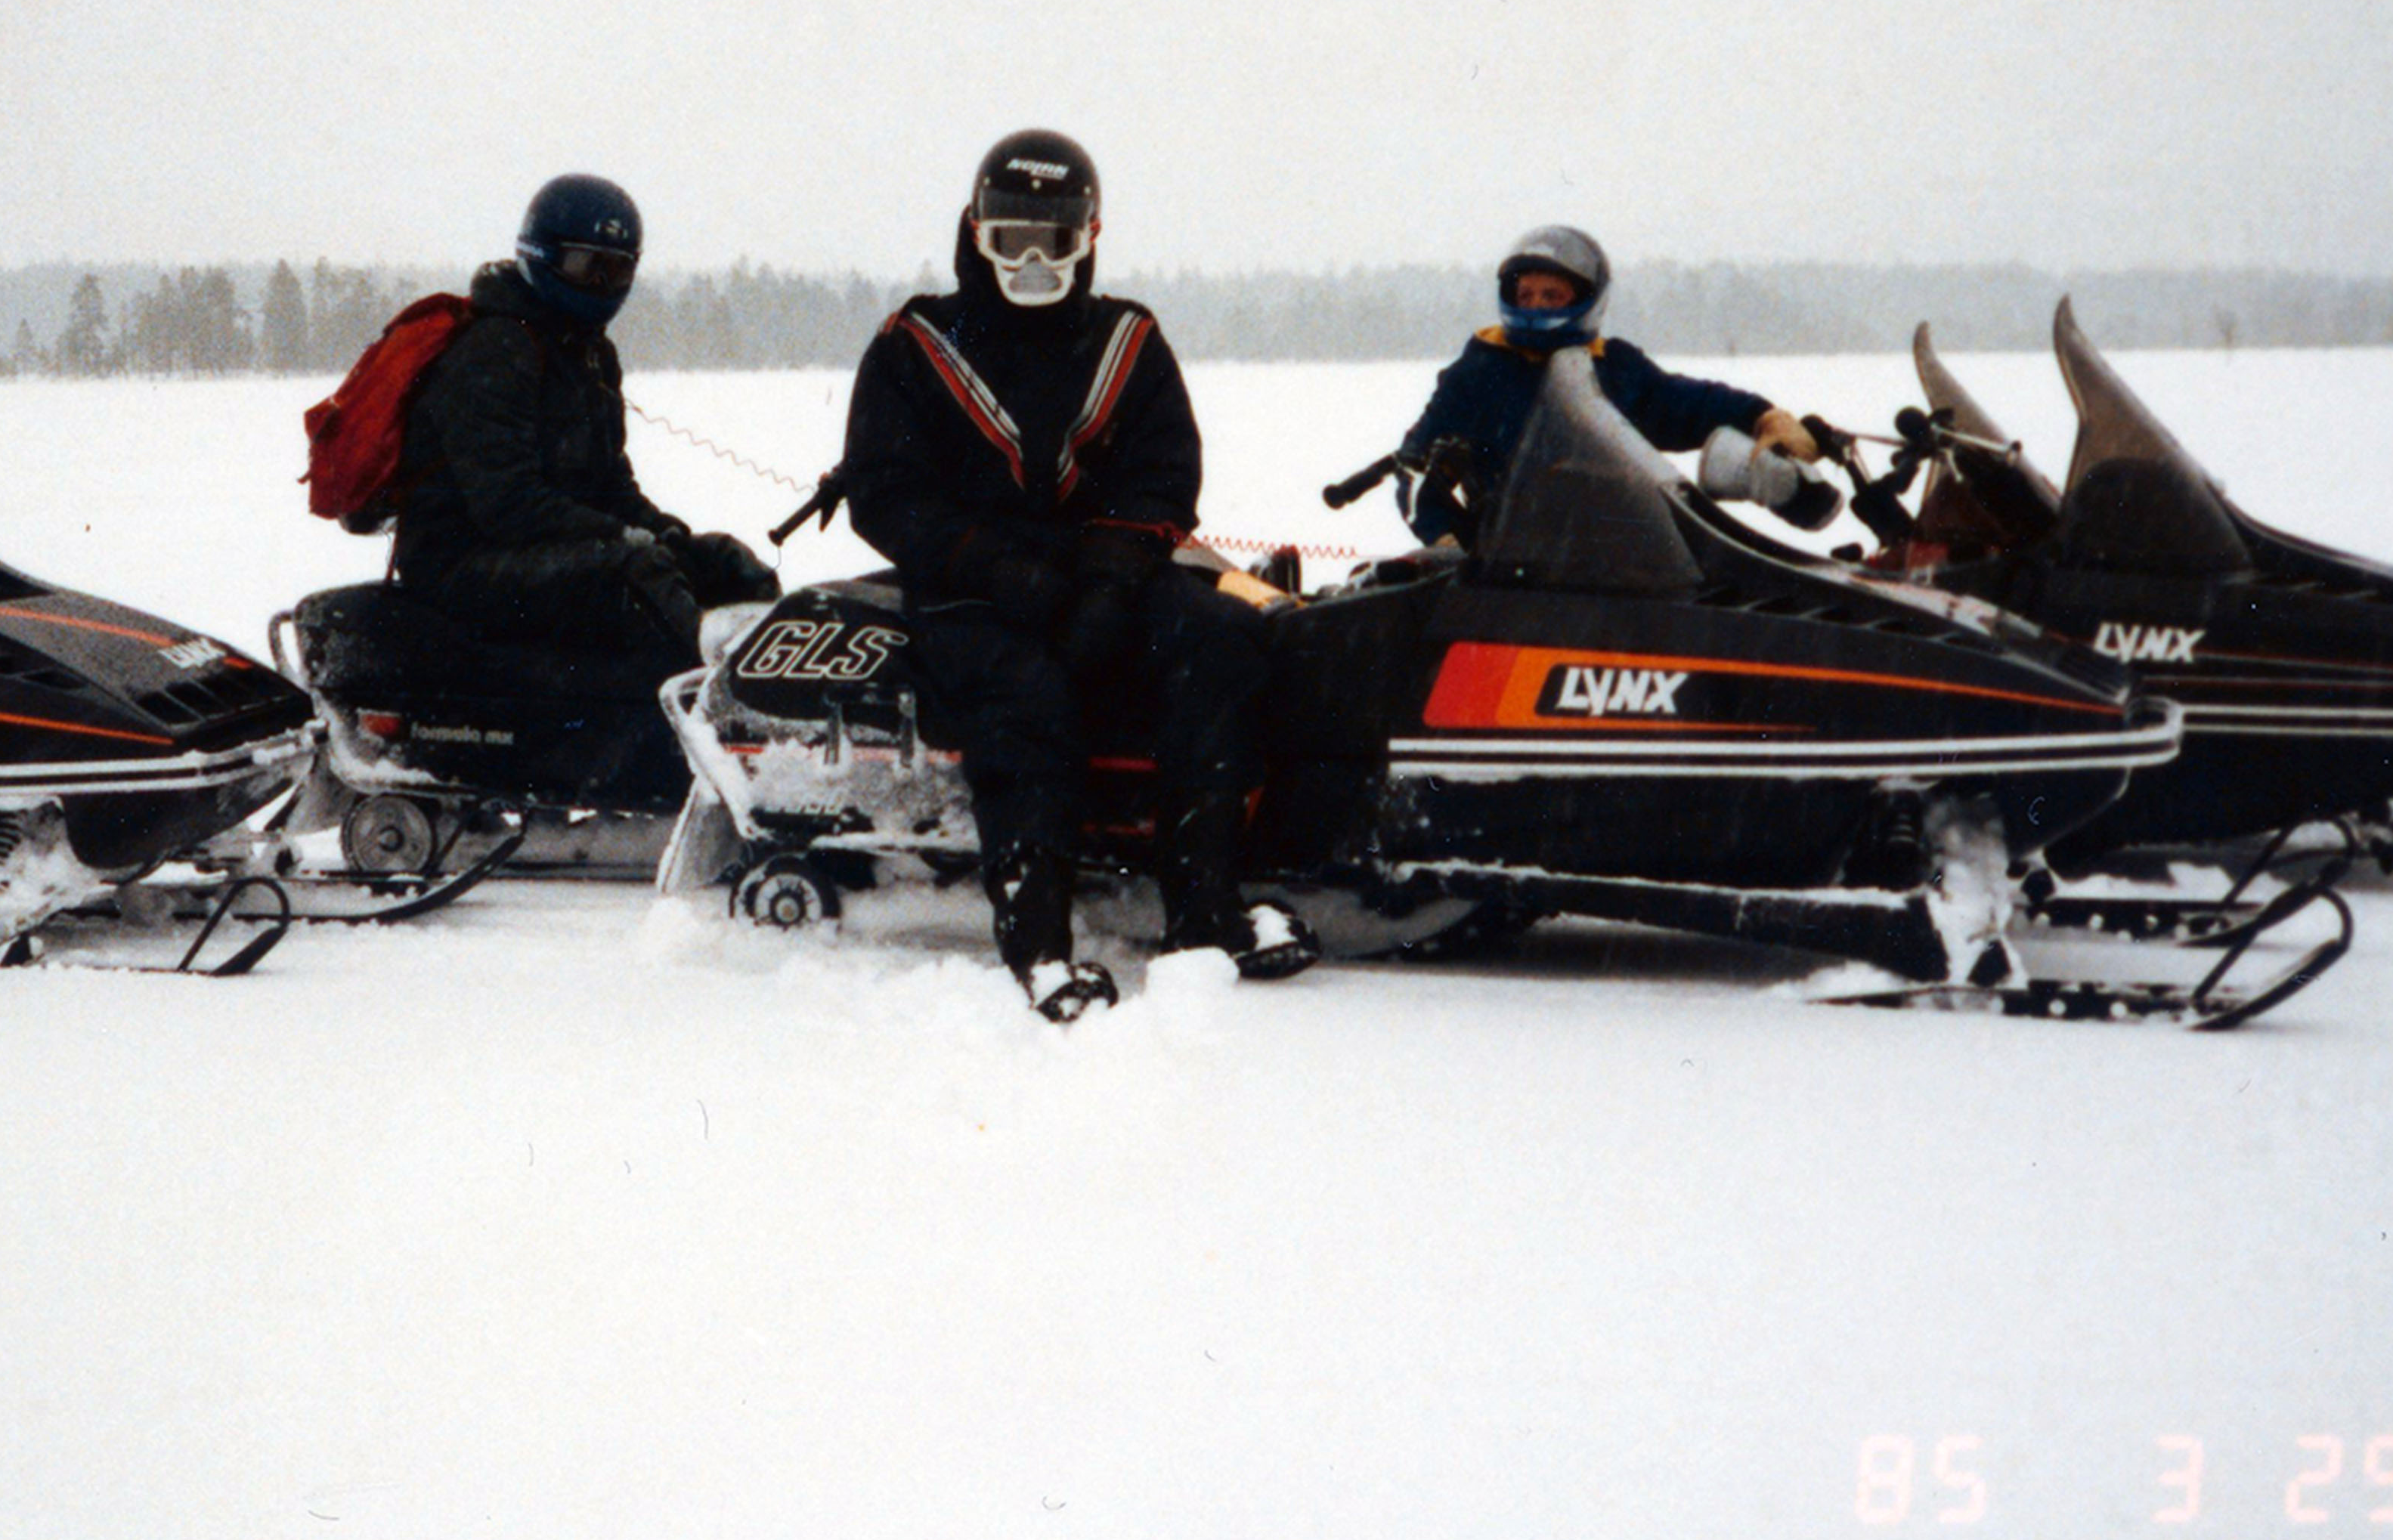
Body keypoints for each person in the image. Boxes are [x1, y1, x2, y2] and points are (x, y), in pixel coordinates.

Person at [838, 129, 1316, 1019]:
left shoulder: (1126, 339)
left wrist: (1107, 577)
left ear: (1086, 240)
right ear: (974, 230)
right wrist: (997, 569)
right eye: (1009, 235)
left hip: (1107, 576)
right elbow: (888, 491)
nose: (1028, 259)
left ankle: (1205, 905)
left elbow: (1162, 471)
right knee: (1026, 691)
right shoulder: (914, 346)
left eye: (1049, 240)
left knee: (1221, 635)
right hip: (970, 587)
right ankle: (1039, 943)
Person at [383, 174, 779, 662]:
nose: (603, 285)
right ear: (541, 254)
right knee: (634, 571)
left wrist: (665, 533)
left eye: (619, 270)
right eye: (587, 266)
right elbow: (507, 504)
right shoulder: (496, 350)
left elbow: (611, 483)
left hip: (538, 548)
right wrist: (620, 538)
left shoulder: (588, 353)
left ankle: (778, 691)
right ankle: (708, 705)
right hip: (459, 560)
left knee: (722, 562)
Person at [1395, 225, 1822, 543]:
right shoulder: (1478, 371)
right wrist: (1446, 538)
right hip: (1510, 562)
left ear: (1584, 298)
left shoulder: (1614, 366)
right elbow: (1416, 467)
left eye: (1551, 295)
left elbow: (1683, 403)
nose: (1535, 305)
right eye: (1526, 295)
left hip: (1618, 554)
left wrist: (1763, 417)